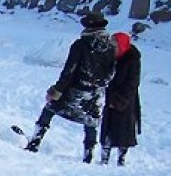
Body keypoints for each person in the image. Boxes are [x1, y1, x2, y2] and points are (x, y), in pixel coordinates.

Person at [24, 12, 116, 163]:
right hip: (94, 93)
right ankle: (88, 156)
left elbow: (69, 71)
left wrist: (57, 90)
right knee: (90, 122)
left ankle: (34, 143)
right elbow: (111, 72)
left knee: (49, 110)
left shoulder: (80, 45)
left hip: (75, 90)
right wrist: (98, 85)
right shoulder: (111, 48)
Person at [99, 32, 141, 166]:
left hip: (126, 99)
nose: (112, 47)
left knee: (124, 129)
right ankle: (104, 156)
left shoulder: (132, 60)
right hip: (110, 95)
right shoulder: (111, 57)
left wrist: (120, 99)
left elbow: (133, 81)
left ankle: (121, 158)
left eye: (114, 44)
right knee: (108, 127)